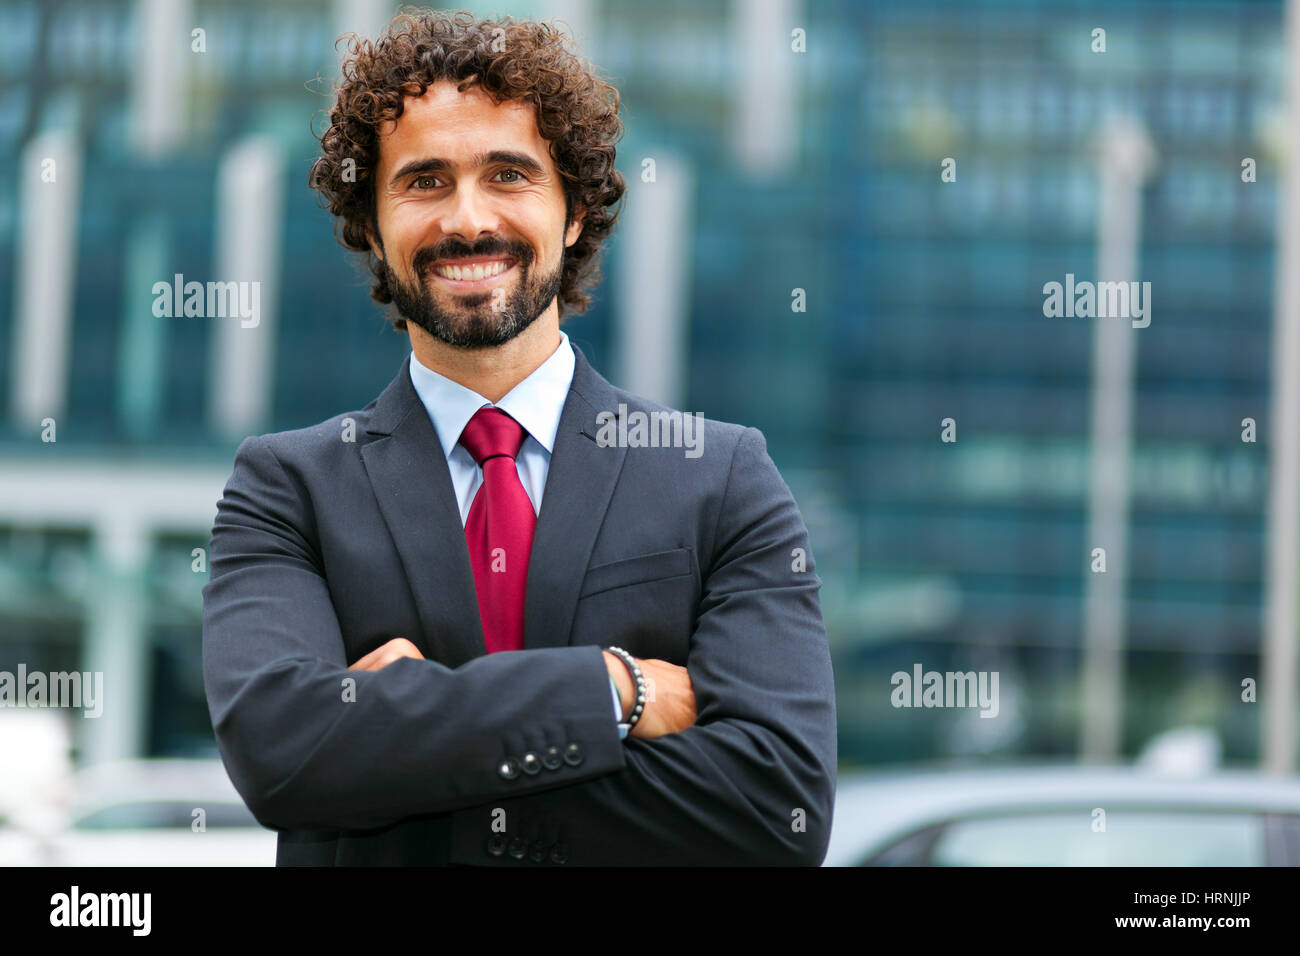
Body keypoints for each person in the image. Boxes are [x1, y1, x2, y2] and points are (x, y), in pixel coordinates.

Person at [201, 9, 836, 866]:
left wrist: (405, 744)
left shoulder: (719, 478)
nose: (468, 220)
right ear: (373, 228)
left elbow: (776, 808)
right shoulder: (287, 491)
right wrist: (616, 688)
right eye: (423, 182)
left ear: (574, 212)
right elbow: (286, 759)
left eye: (508, 174)